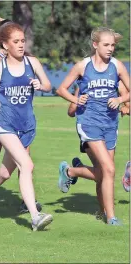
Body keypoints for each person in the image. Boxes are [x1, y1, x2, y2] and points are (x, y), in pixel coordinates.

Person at [0, 21, 53, 231]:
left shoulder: (32, 63)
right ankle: (35, 216)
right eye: (16, 41)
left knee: (5, 173)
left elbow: (48, 85)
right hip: (3, 123)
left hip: (25, 124)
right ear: (5, 45)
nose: (21, 45)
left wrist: (39, 85)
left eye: (23, 41)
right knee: (27, 165)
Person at [56, 27, 130, 225]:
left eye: (113, 45)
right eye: (106, 45)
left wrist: (121, 99)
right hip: (88, 123)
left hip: (110, 123)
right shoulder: (83, 66)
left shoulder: (118, 66)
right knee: (109, 169)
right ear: (95, 45)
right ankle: (112, 217)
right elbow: (61, 89)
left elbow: (129, 92)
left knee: (103, 172)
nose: (110, 49)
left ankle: (73, 175)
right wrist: (76, 99)